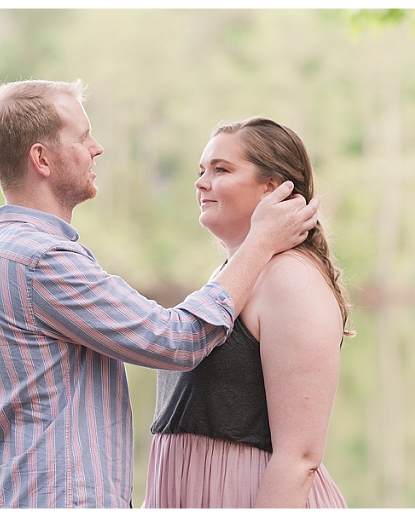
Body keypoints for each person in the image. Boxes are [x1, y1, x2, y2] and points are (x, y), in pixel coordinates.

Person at [0, 80, 320, 508]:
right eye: (83, 137)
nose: (97, 147)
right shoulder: (41, 260)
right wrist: (260, 242)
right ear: (42, 159)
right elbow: (176, 339)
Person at [144, 117, 353, 508]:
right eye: (201, 170)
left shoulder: (291, 278)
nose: (201, 182)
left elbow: (300, 458)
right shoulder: (227, 280)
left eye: (220, 169)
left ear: (272, 188)